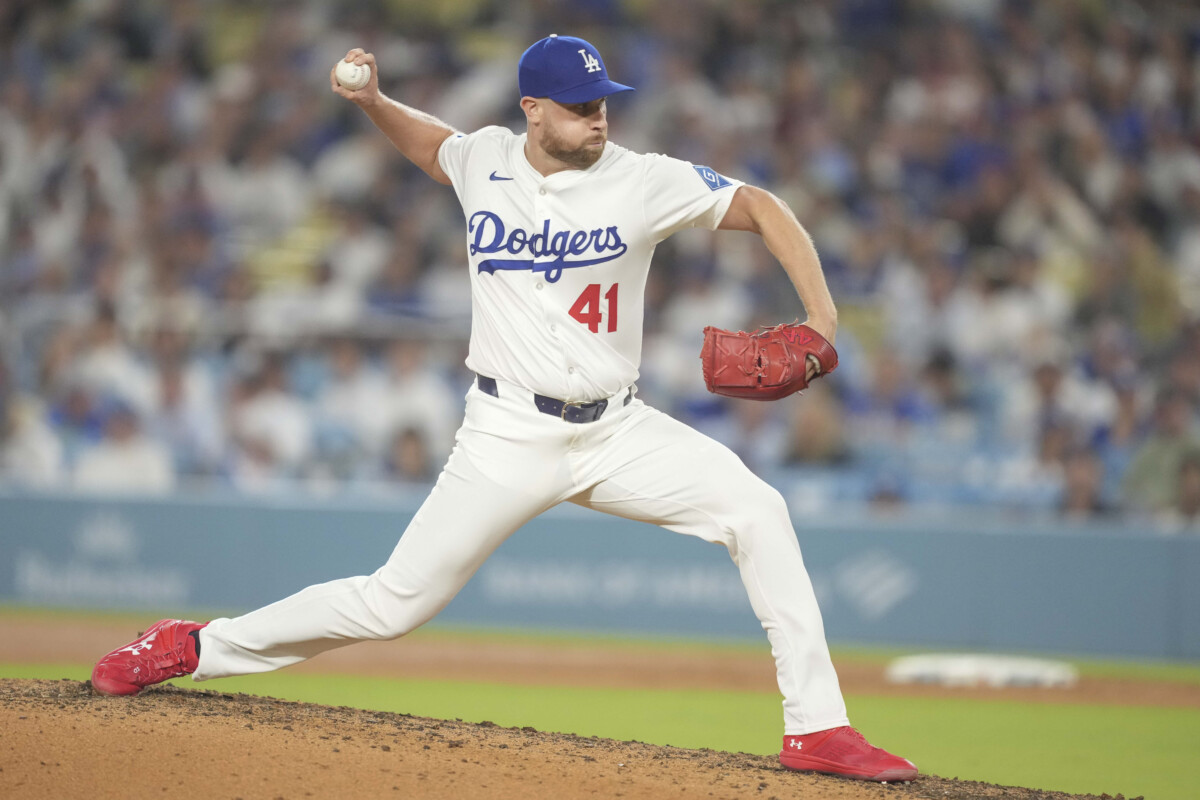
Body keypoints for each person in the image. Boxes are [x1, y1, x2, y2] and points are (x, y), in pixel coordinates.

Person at [91, 35, 916, 782]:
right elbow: (433, 146)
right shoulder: (485, 159)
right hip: (506, 432)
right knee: (392, 605)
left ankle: (818, 728)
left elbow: (764, 207)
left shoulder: (643, 178)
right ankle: (194, 646)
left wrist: (820, 319)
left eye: (603, 103)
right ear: (532, 110)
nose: (599, 118)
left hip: (617, 429)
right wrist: (376, 104)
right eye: (581, 106)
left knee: (758, 510)